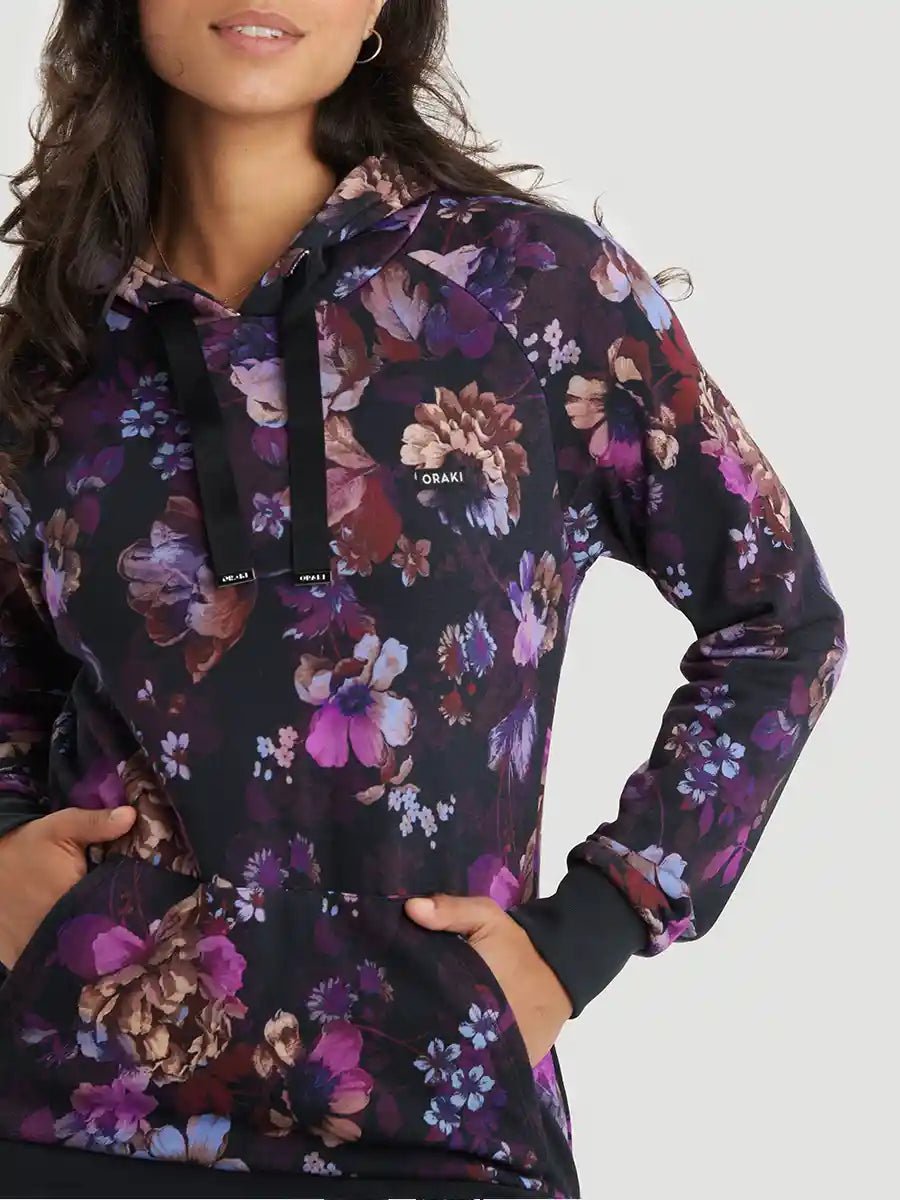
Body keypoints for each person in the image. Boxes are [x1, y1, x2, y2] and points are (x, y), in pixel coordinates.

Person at [0, 1, 847, 1197]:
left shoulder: (530, 290)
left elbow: (779, 622)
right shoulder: (51, 349)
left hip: (442, 1120)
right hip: (71, 1118)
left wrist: (592, 931)